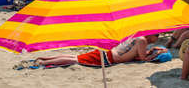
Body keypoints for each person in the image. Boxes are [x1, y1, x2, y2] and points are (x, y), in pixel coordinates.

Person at [28, 34, 162, 68]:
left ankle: (44, 59)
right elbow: (143, 57)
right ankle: (43, 63)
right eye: (157, 36)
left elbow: (137, 53)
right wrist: (157, 54)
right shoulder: (143, 41)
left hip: (108, 52)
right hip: (109, 58)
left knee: (76, 56)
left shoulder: (139, 37)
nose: (157, 39)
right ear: (152, 35)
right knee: (76, 60)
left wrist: (153, 50)